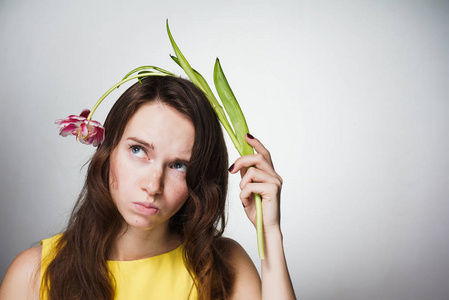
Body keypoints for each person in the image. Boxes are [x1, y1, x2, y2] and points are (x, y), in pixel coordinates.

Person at [0, 75, 296, 299]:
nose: (153, 185)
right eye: (139, 150)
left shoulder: (224, 266)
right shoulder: (33, 274)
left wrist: (269, 231)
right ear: (108, 150)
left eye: (179, 165)